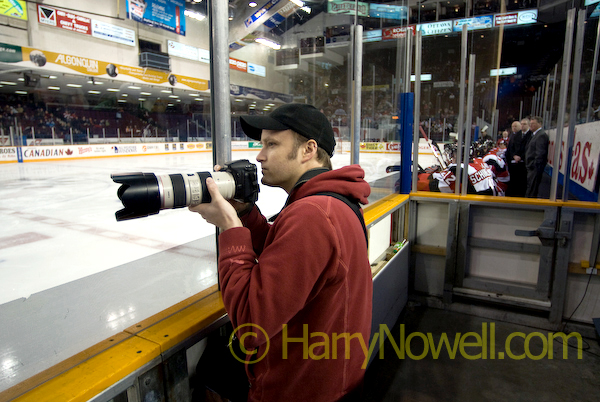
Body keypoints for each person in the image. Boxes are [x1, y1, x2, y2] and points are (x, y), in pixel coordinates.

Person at [189, 103, 373, 402]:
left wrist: (230, 229)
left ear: (308, 150)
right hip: (329, 382)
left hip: (300, 390)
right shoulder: (329, 202)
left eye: (271, 144)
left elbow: (250, 322)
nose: (260, 155)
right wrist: (247, 215)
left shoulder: (312, 215)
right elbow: (289, 259)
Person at [525, 116, 549, 198]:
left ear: (540, 123)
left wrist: (533, 165)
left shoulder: (541, 135)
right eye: (530, 124)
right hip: (532, 167)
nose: (530, 125)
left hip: (534, 168)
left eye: (533, 124)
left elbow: (540, 153)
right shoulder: (535, 135)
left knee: (532, 189)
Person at [506, 120, 527, 196]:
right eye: (513, 126)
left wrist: (516, 156)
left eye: (516, 126)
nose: (514, 128)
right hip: (511, 160)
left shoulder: (522, 136)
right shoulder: (512, 135)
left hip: (518, 162)